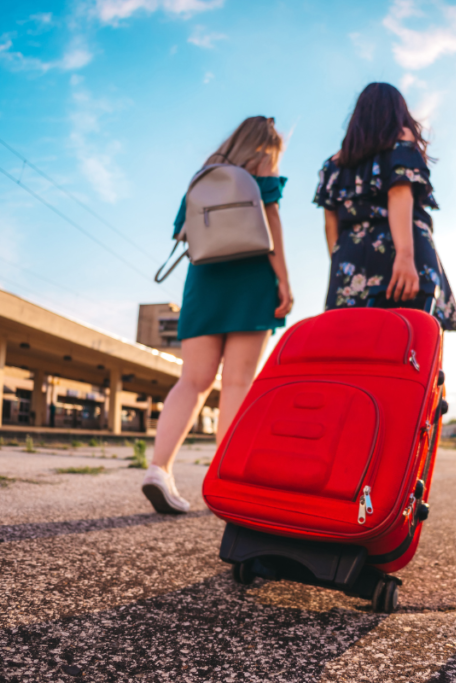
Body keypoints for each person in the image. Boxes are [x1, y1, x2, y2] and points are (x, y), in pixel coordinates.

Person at [142, 116, 293, 514]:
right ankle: (225, 480)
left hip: (205, 282)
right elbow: (272, 225)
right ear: (267, 146)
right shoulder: (264, 168)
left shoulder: (205, 173)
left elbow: (181, 233)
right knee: (237, 383)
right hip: (252, 281)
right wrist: (285, 282)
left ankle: (159, 469)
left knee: (192, 381)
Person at [313, 82, 456, 332]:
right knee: (413, 343)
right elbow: (399, 193)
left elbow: (330, 223)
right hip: (401, 250)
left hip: (350, 256)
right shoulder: (401, 139)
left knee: (351, 347)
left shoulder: (332, 165)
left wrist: (342, 267)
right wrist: (405, 255)